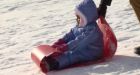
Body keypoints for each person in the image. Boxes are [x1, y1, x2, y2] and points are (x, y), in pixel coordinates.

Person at [42, 0, 104, 71]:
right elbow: (72, 33)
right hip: (84, 47)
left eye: (79, 17)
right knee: (70, 50)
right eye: (77, 16)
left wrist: (65, 47)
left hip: (92, 52)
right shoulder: (82, 25)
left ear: (86, 18)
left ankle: (54, 63)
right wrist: (61, 41)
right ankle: (51, 57)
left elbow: (79, 42)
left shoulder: (92, 31)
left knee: (73, 54)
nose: (77, 19)